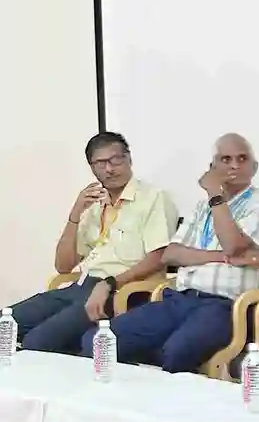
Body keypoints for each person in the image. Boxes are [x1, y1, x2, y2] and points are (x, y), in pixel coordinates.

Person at [83, 133, 259, 372]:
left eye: (242, 159)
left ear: (254, 167)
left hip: (227, 307)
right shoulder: (202, 208)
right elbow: (171, 254)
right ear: (213, 167)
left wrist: (215, 195)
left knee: (176, 352)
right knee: (97, 341)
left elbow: (232, 245)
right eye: (226, 159)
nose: (234, 165)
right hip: (179, 299)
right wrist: (220, 257)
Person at [11, 132, 178, 354]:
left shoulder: (153, 198)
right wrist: (75, 214)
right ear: (92, 168)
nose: (109, 169)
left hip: (122, 290)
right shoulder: (96, 203)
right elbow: (63, 266)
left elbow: (159, 256)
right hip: (81, 286)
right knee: (8, 326)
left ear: (129, 159)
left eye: (115, 160)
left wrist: (109, 283)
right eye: (101, 163)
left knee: (37, 342)